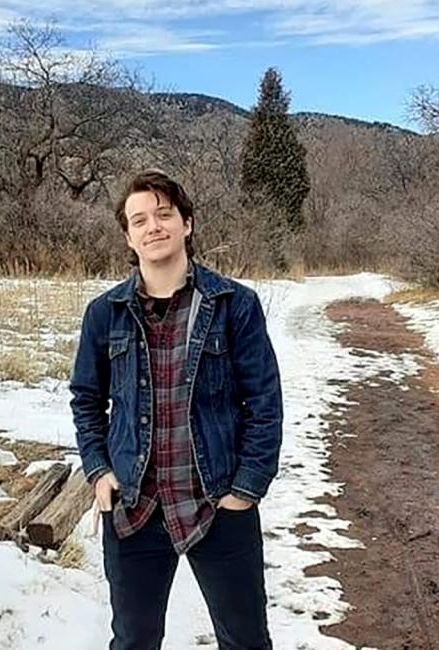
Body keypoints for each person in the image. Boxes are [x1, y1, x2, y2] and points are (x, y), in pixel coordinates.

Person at [69, 169, 283, 649]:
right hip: (134, 507)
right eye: (139, 219)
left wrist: (246, 489)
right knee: (134, 641)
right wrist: (99, 470)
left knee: (246, 640)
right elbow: (86, 399)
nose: (153, 226)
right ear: (128, 235)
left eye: (164, 214)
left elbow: (264, 401)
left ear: (186, 222)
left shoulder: (234, 305)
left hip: (217, 500)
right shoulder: (104, 314)